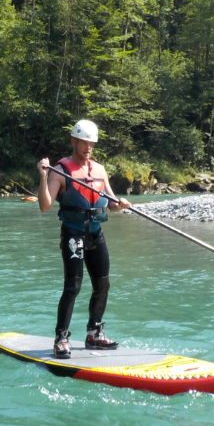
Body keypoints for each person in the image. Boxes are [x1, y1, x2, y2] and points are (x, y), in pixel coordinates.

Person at [37, 119, 130, 359]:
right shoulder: (60, 170)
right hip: (73, 235)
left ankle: (94, 333)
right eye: (84, 142)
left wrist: (121, 204)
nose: (88, 147)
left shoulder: (99, 170)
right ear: (74, 141)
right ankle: (61, 338)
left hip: (95, 234)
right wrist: (42, 176)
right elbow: (45, 206)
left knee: (103, 284)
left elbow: (111, 202)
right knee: (73, 286)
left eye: (91, 143)